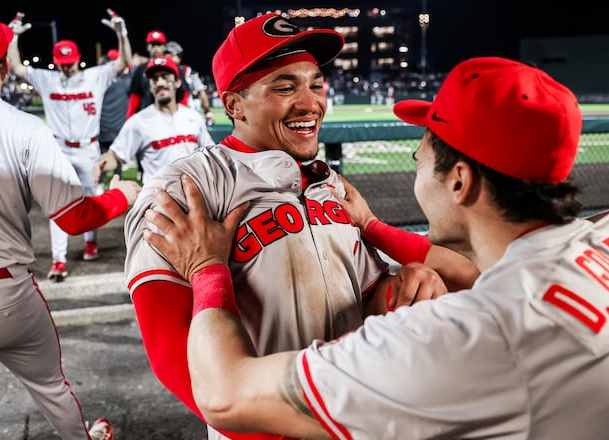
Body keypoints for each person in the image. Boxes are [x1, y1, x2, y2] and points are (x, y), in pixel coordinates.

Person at [144, 56, 609, 438]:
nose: (417, 163)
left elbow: (222, 394)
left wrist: (209, 268)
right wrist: (371, 231)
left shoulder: (473, 334)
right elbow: (473, 273)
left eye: (422, 154)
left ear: (459, 182)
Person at [122, 13, 479, 440]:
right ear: (234, 104)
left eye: (315, 83)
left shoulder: (329, 183)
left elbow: (361, 297)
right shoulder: (185, 190)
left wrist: (400, 293)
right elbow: (169, 353)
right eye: (285, 87)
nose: (310, 103)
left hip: (354, 417)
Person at [0, 10, 141, 439]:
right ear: (4, 65)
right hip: (2, 293)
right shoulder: (23, 127)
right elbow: (74, 218)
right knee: (51, 388)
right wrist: (123, 196)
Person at [7, 9, 133, 281]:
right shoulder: (48, 78)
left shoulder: (95, 76)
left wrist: (121, 33)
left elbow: (124, 61)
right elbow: (16, 67)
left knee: (92, 198)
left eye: (71, 63)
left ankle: (90, 242)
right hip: (60, 148)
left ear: (78, 60)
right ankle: (59, 260)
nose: (67, 67)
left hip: (88, 148)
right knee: (58, 206)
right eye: (63, 63)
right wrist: (13, 38)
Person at [93, 55, 214, 185]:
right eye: (154, 79)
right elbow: (115, 155)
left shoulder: (193, 117)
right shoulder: (139, 121)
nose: (160, 83)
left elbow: (210, 152)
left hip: (195, 196)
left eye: (165, 77)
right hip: (158, 200)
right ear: (150, 86)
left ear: (178, 82)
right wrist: (101, 164)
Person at [126, 30, 191, 119]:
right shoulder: (140, 69)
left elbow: (184, 93)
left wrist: (184, 116)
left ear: (164, 47)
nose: (156, 47)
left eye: (159, 44)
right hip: (147, 118)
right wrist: (129, 118)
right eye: (153, 44)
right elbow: (135, 96)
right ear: (148, 47)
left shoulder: (175, 67)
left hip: (171, 118)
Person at [98, 48, 132, 178]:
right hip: (118, 129)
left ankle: (99, 183)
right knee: (117, 160)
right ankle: (117, 181)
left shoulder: (100, 82)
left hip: (102, 129)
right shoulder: (126, 82)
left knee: (102, 159)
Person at [165, 40, 214, 126]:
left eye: (171, 55)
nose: (167, 57)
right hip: (165, 115)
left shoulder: (187, 71)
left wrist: (207, 112)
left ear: (179, 57)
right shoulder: (159, 73)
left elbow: (201, 91)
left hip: (186, 116)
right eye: (166, 54)